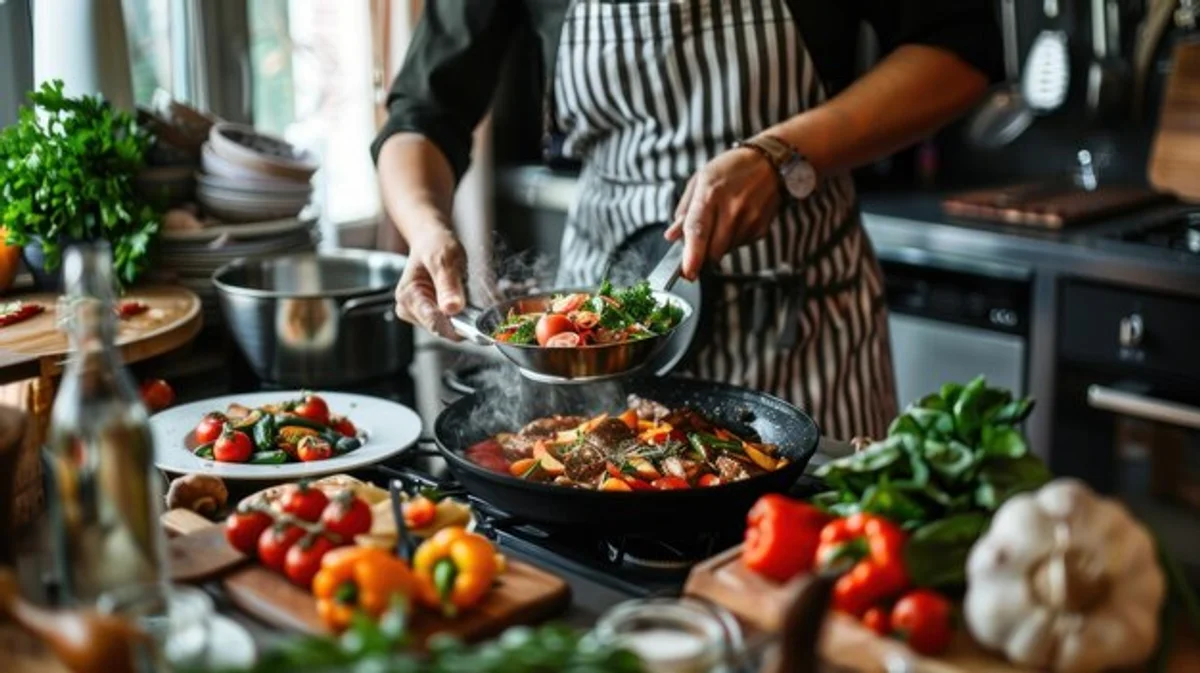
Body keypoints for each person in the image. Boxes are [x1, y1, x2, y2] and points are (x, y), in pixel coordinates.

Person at [373, 1, 1000, 440]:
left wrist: (781, 153)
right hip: (600, 348)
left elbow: (960, 50)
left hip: (804, 328)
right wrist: (426, 228)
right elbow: (422, 115)